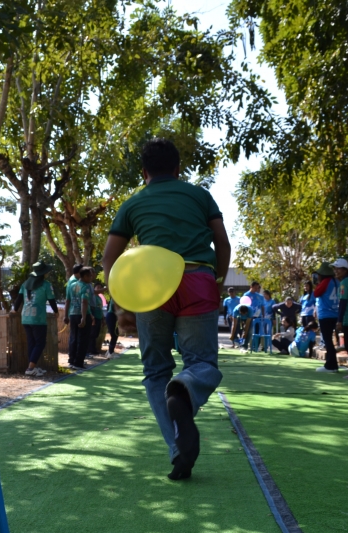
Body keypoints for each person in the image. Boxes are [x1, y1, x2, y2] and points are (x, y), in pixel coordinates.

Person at [102, 138, 231, 481]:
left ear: (143, 172)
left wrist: (121, 304)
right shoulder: (200, 196)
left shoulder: (133, 203)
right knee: (201, 364)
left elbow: (109, 258)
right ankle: (185, 388)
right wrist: (216, 283)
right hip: (197, 279)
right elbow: (222, 242)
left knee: (156, 370)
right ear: (178, 169)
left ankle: (177, 449)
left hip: (151, 288)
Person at [12, 262, 58, 377]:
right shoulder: (46, 285)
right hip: (38, 318)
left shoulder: (25, 284)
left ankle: (32, 367)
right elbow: (52, 300)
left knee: (31, 343)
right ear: (43, 273)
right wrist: (56, 312)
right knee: (40, 343)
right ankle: (30, 368)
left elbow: (18, 299)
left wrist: (15, 310)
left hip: (25, 318)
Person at [313, 262, 340, 372]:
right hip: (335, 313)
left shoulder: (325, 282)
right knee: (330, 340)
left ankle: (331, 365)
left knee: (328, 341)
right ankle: (333, 364)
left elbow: (316, 293)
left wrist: (317, 284)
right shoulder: (337, 281)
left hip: (326, 314)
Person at [67, 267, 94, 370]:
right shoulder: (86, 286)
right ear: (85, 276)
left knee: (73, 338)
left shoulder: (71, 285)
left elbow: (67, 300)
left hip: (72, 314)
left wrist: (65, 315)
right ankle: (78, 363)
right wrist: (83, 317)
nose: (91, 278)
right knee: (83, 339)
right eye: (90, 276)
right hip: (82, 314)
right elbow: (84, 302)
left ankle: (71, 360)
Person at [87, 277, 105, 358]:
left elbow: (101, 308)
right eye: (98, 287)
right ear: (94, 288)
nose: (99, 289)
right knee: (92, 334)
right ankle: (90, 350)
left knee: (96, 334)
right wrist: (92, 317)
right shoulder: (92, 296)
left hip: (99, 317)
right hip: (94, 317)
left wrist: (103, 319)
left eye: (100, 287)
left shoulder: (100, 298)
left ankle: (93, 349)